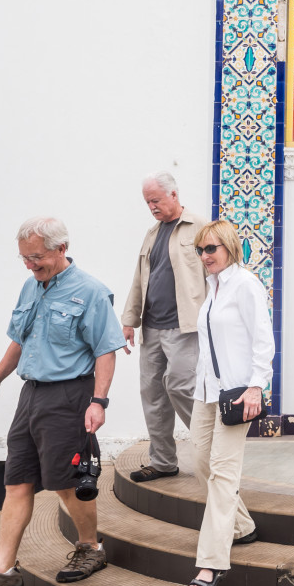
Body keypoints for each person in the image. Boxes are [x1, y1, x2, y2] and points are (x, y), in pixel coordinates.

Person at [0, 216, 126, 586]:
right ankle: (3, 571)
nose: (30, 265)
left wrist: (98, 402)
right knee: (17, 481)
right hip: (30, 395)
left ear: (61, 248)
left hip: (69, 395)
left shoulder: (91, 292)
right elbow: (20, 339)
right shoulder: (30, 287)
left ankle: (90, 547)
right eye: (24, 258)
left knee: (66, 481)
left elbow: (106, 350)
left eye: (37, 257)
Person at [184, 219, 275, 586]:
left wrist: (256, 386)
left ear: (230, 247)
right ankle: (242, 526)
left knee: (222, 472)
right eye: (200, 250)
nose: (205, 256)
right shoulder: (213, 288)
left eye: (211, 248)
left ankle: (211, 563)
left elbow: (263, 340)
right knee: (200, 462)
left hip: (237, 394)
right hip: (206, 392)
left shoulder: (245, 284)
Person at [120, 172, 207, 482]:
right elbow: (140, 277)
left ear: (173, 194)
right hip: (152, 328)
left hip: (185, 326)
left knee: (181, 385)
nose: (152, 207)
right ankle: (163, 462)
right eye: (147, 202)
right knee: (153, 395)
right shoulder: (152, 233)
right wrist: (129, 319)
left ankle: (212, 448)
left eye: (155, 200)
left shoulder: (200, 227)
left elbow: (217, 274)